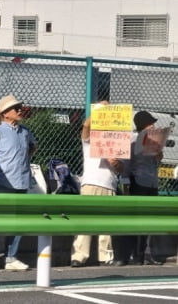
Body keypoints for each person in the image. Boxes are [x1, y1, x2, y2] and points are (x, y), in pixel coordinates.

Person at [0, 94, 37, 271]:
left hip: (22, 182)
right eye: (15, 108)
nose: (19, 110)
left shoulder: (25, 132)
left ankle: (11, 257)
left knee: (18, 222)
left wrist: (24, 162)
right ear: (5, 113)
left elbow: (33, 146)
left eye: (19, 107)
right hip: (3, 183)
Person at [70, 101, 123, 268]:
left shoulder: (116, 142)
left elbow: (121, 168)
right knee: (85, 220)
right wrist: (100, 110)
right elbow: (86, 126)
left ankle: (106, 256)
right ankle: (79, 256)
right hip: (91, 182)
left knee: (107, 223)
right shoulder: (90, 139)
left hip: (109, 184)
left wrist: (116, 164)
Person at [113, 111, 164, 266]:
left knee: (150, 220)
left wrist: (158, 154)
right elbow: (126, 164)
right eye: (150, 123)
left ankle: (144, 254)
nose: (153, 126)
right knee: (137, 220)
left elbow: (157, 161)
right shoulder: (134, 140)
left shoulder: (153, 140)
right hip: (138, 182)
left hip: (151, 182)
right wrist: (126, 181)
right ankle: (133, 255)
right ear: (143, 125)